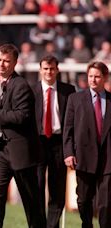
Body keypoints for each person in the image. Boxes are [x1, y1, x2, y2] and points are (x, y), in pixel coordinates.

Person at [0, 43, 46, 228]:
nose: (2, 64)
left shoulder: (21, 85)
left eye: (6, 61)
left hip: (20, 153)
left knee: (30, 201)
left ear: (15, 63)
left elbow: (22, 116)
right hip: (0, 151)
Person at [63, 61, 111, 228]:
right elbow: (68, 130)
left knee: (106, 203)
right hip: (83, 157)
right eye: (90, 76)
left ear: (105, 78)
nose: (93, 80)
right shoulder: (75, 99)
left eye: (97, 76)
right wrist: (68, 153)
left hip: (108, 160)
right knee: (83, 200)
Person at [33, 55, 75, 228]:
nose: (48, 72)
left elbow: (72, 122)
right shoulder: (31, 90)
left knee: (57, 190)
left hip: (59, 143)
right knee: (37, 187)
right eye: (45, 68)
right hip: (38, 144)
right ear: (40, 70)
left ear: (57, 70)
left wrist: (71, 149)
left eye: (52, 69)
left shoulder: (69, 90)